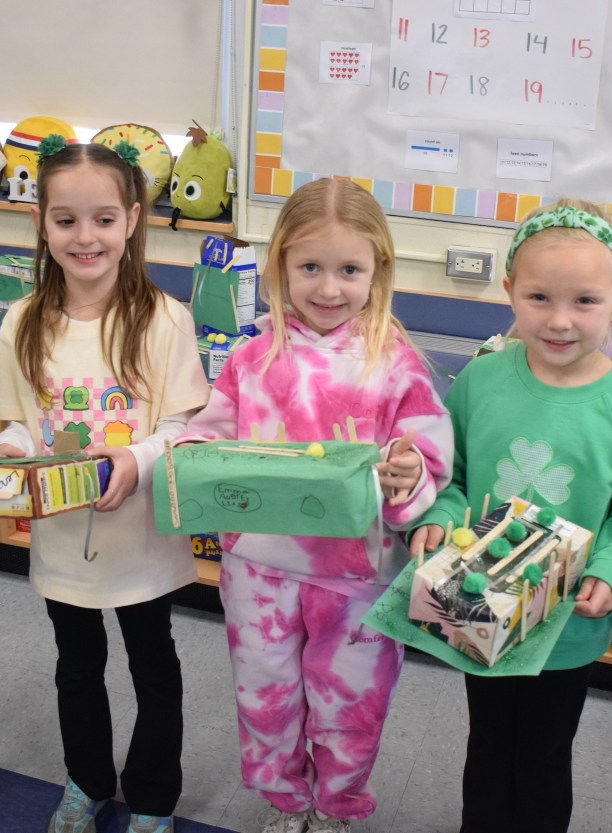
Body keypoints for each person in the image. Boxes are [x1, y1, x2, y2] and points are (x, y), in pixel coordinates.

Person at [180, 177, 453, 833]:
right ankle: (286, 802)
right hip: (259, 574)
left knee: (349, 705)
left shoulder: (397, 366)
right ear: (280, 266)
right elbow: (206, 442)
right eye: (310, 267)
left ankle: (336, 808)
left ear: (377, 269)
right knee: (265, 696)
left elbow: (427, 462)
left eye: (349, 269)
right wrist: (187, 455)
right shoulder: (250, 360)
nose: (329, 288)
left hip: (358, 577)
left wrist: (409, 473)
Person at [411, 198, 612, 833]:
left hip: (566, 627)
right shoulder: (479, 381)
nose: (560, 322)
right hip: (479, 608)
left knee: (547, 756)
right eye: (538, 299)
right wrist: (438, 517)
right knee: (489, 746)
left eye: (585, 301)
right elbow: (456, 475)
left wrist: (609, 575)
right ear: (509, 292)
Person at [0, 139, 209, 833]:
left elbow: (184, 423)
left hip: (141, 542)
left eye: (104, 219)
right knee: (76, 667)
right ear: (42, 225)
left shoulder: (164, 318)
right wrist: (10, 452)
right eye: (66, 220)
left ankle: (150, 798)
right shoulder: (23, 322)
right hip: (61, 543)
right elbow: (16, 423)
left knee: (154, 667)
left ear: (133, 220)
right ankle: (85, 781)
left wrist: (137, 459)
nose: (86, 237)